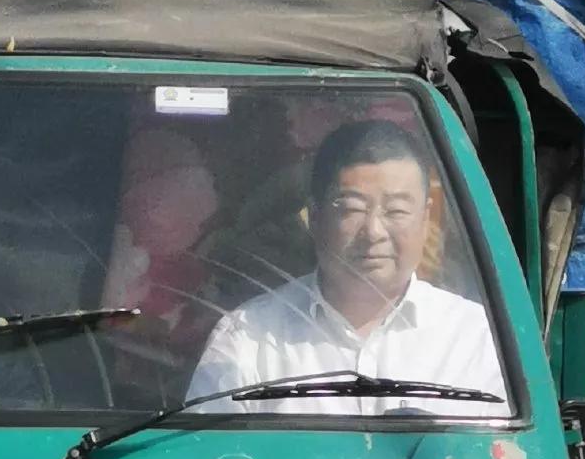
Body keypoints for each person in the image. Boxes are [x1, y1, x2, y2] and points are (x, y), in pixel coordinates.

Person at [188, 120, 506, 415]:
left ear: (425, 219)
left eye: (396, 210)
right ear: (314, 217)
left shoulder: (474, 338)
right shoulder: (249, 338)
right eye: (353, 208)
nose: (374, 233)